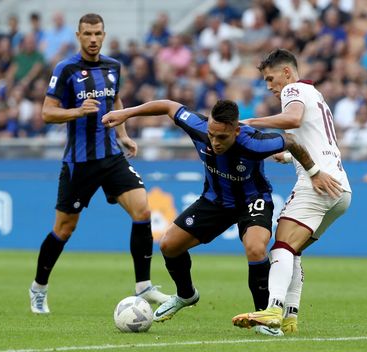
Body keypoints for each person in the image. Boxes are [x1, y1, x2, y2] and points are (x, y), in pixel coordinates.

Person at [102, 99, 342, 336]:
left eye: (222, 137)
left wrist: (314, 173)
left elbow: (291, 140)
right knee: (168, 245)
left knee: (256, 248)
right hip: (214, 201)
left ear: (236, 130)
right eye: (211, 135)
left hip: (252, 201)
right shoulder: (198, 126)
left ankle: (263, 317)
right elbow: (168, 106)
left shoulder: (254, 142)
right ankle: (186, 295)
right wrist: (126, 113)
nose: (215, 142)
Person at [28, 13, 170, 314]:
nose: (93, 39)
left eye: (98, 34)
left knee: (142, 210)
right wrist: (77, 111)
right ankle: (38, 287)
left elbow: (115, 102)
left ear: (103, 35)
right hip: (79, 163)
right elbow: (46, 113)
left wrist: (123, 134)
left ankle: (143, 286)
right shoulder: (66, 70)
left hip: (111, 156)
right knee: (64, 229)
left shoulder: (113, 67)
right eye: (87, 34)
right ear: (79, 36)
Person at [232, 48, 352, 334]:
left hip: (317, 184)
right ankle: (290, 317)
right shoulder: (316, 94)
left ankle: (273, 308)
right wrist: (288, 156)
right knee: (293, 250)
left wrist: (249, 123)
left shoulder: (293, 90)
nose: (269, 86)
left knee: (281, 246)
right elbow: (317, 138)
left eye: (271, 78)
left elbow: (293, 119)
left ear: (287, 72)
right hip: (341, 190)